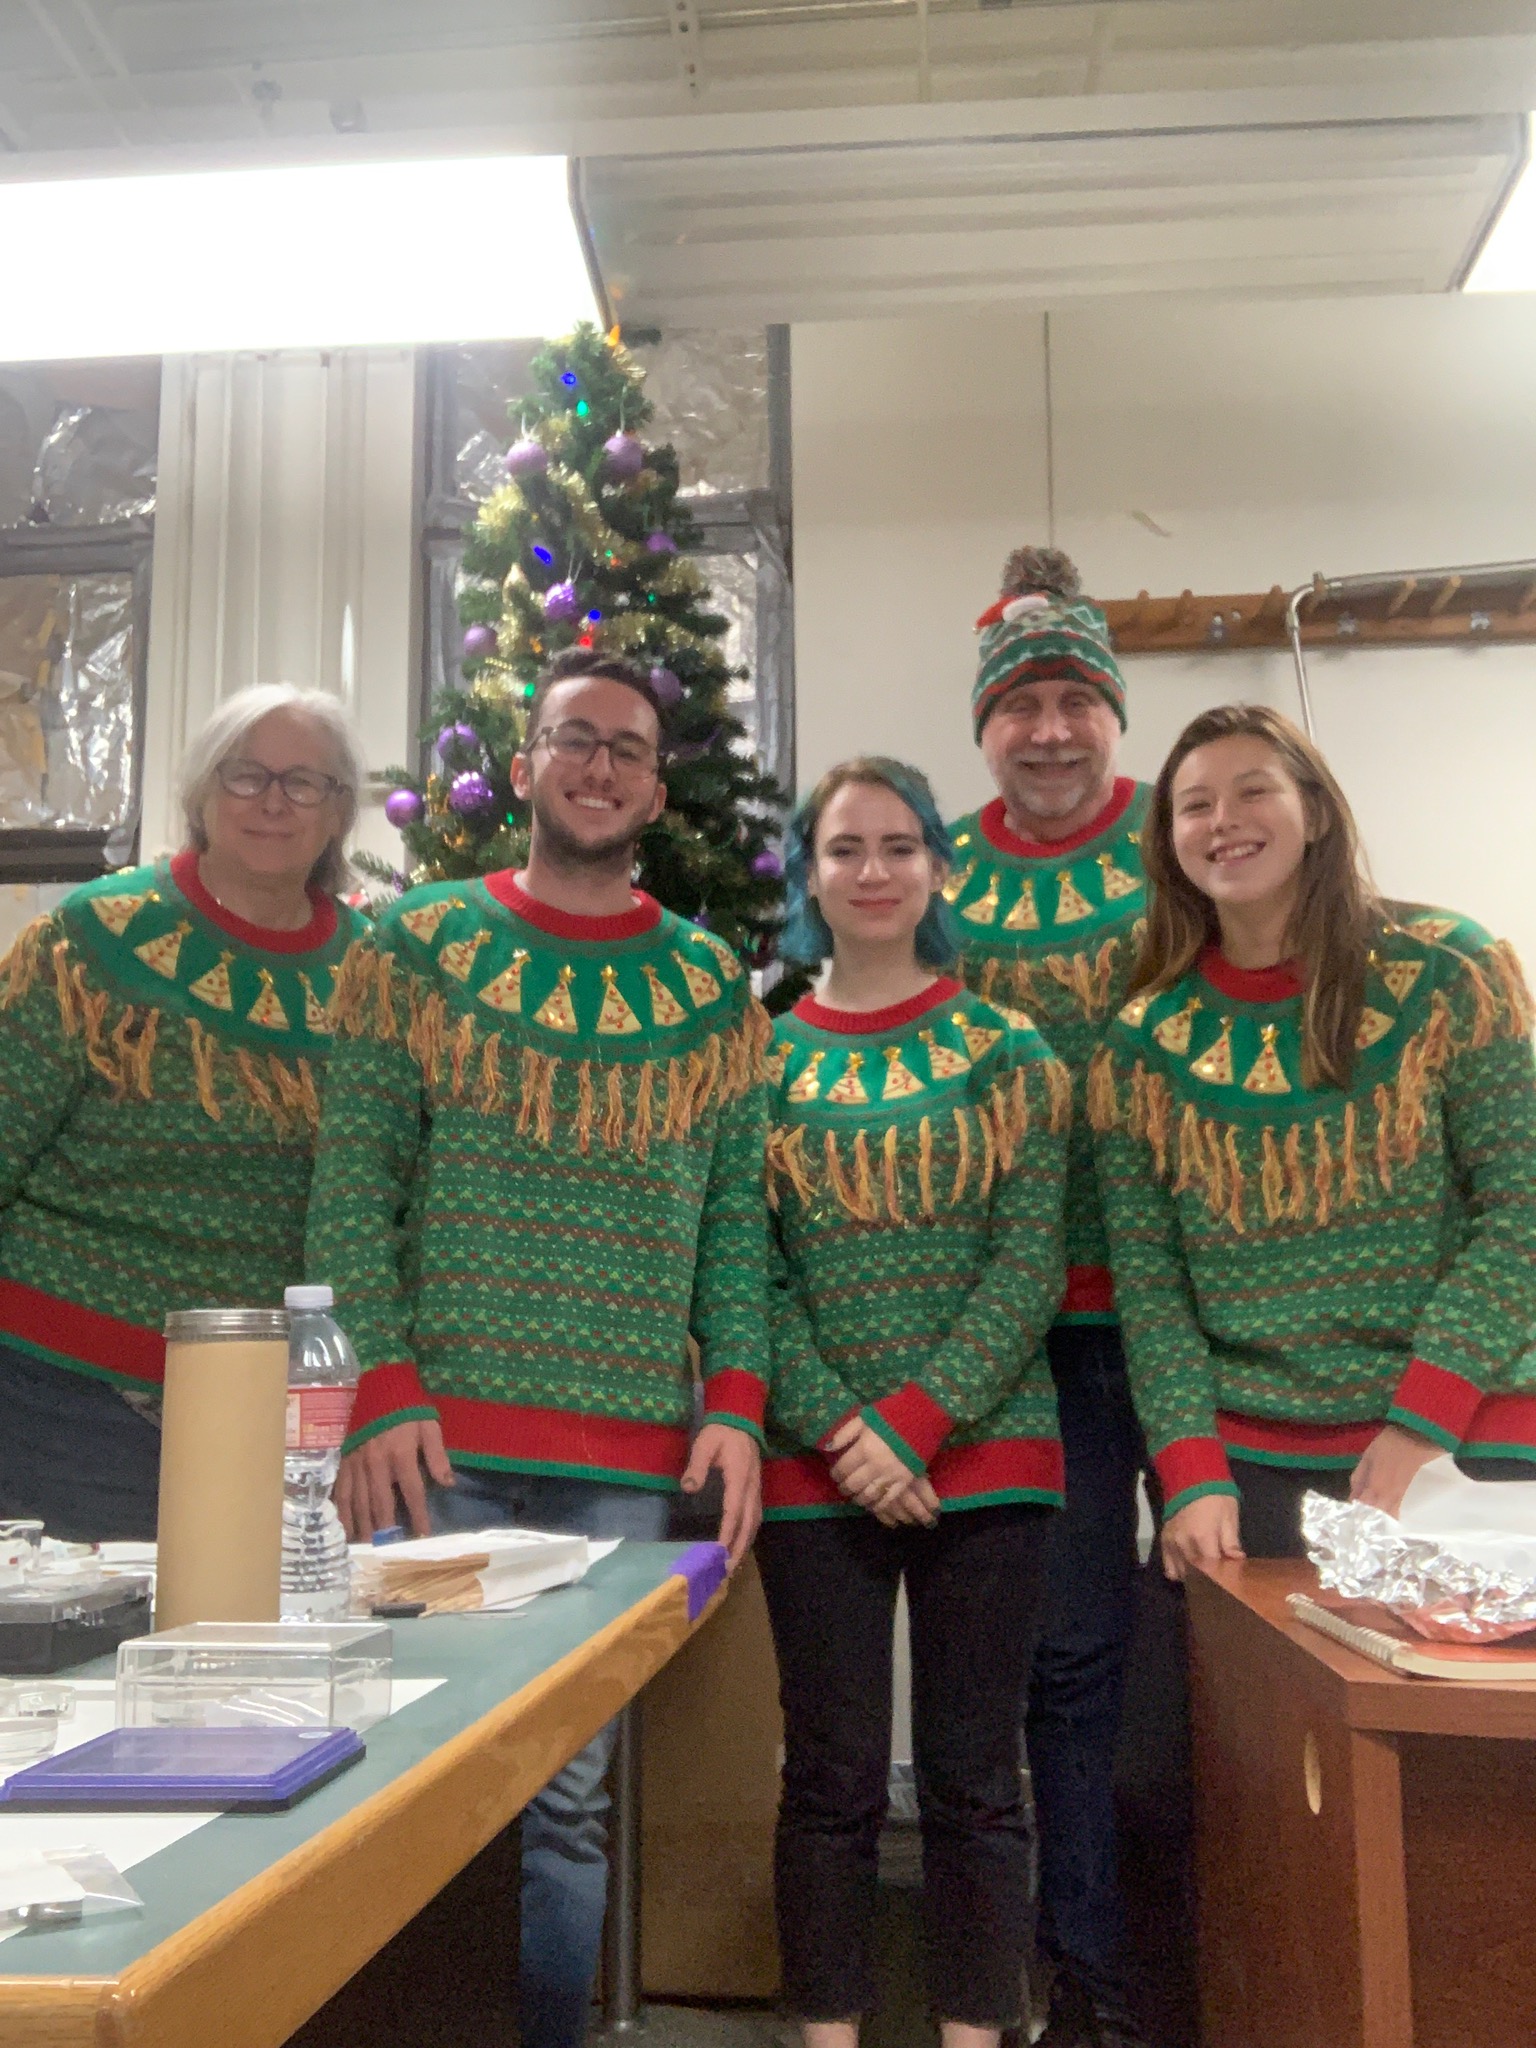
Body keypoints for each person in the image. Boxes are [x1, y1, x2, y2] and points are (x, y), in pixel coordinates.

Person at [306, 648, 771, 2048]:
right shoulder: (418, 948)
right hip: (431, 1450)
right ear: (525, 766)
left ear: (655, 782)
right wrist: (378, 1386)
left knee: (566, 1806)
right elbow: (353, 1182)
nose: (599, 765)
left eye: (627, 746)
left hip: (618, 1465)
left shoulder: (708, 984)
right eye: (575, 738)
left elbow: (737, 1220)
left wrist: (737, 1405)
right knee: (399, 1782)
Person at [757, 756, 1070, 2048]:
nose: (873, 871)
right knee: (827, 1778)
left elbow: (1029, 1258)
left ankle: (975, 2035)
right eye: (846, 849)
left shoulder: (1009, 1050)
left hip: (990, 1461)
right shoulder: (759, 1062)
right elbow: (747, 1273)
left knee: (974, 1779)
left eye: (899, 846)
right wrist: (847, 1431)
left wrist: (915, 1426)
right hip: (811, 1469)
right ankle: (826, 2034)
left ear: (940, 869)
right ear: (810, 875)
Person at [1091, 701, 1536, 1578]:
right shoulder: (1143, 1046)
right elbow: (1151, 1292)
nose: (1223, 821)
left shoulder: (1452, 970)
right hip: (1249, 1467)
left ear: (1317, 811)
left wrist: (1421, 1423)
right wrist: (1187, 1470)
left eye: (1253, 791)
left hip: (1465, 1440)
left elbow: (1520, 1211)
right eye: (1194, 804)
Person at [0, 682, 367, 1542]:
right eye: (246, 776)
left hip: (259, 1416)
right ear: (203, 791)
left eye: (304, 783)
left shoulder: (373, 977)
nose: (272, 801)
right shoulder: (94, 938)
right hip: (54, 1391)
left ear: (338, 813)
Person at [945, 547, 1153, 2048]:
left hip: (1203, 1307)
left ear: (1116, 717)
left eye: (1078, 697)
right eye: (1022, 702)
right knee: (1066, 1661)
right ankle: (1078, 1969)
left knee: (1270, 1646)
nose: (1053, 729)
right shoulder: (933, 875)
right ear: (985, 728)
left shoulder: (1195, 845)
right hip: (1035, 1330)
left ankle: (1262, 1932)